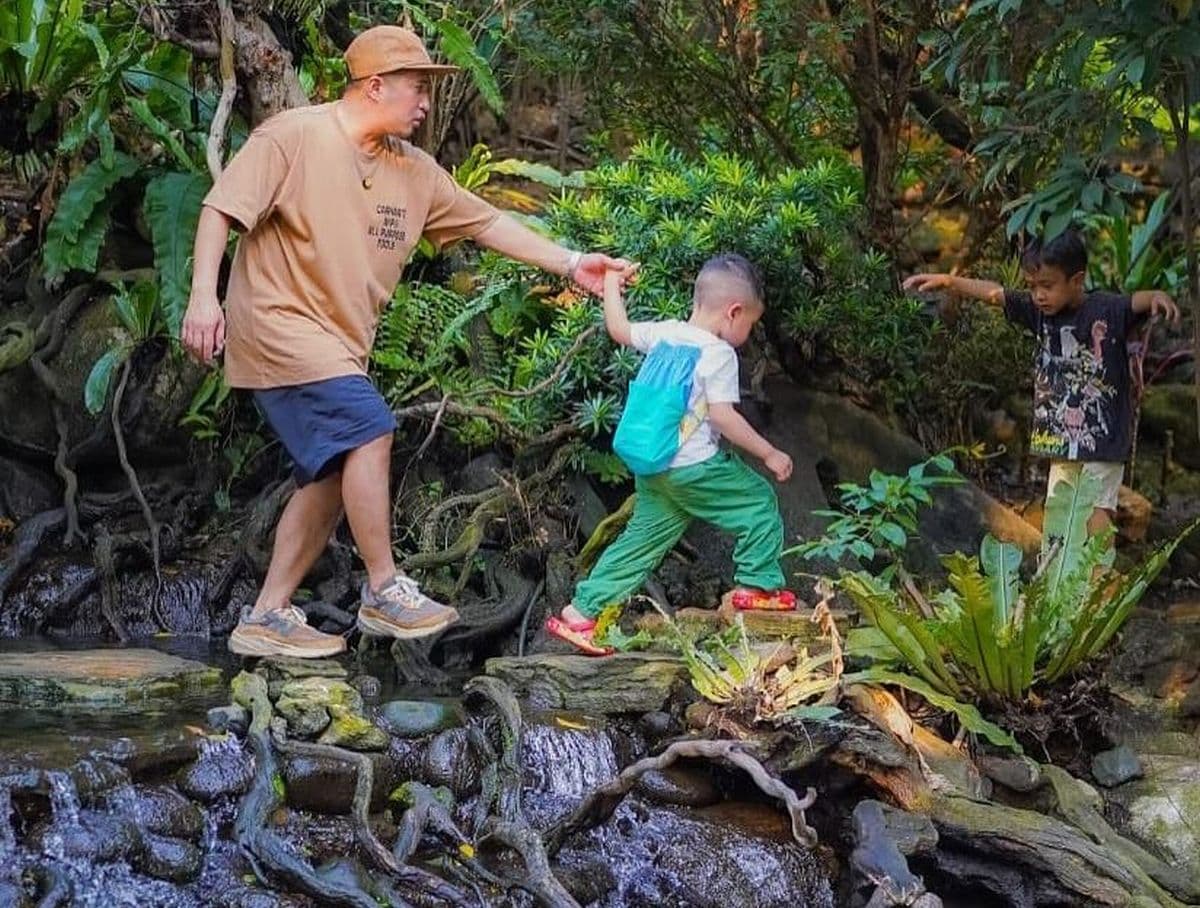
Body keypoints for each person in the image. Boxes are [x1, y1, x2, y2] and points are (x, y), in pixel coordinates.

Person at [181, 25, 630, 658]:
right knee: (370, 426)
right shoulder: (293, 137)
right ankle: (384, 590)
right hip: (276, 326)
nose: (426, 103)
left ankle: (267, 615)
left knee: (337, 474)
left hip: (339, 348)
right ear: (374, 86)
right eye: (417, 89)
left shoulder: (414, 173)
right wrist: (204, 297)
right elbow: (219, 210)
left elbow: (489, 222)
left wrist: (571, 262)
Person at [545, 254, 798, 656]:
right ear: (733, 312)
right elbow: (723, 417)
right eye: (749, 324)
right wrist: (769, 453)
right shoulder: (718, 354)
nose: (746, 334)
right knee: (758, 502)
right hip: (693, 470)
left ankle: (581, 614)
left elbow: (618, 328)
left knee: (639, 544)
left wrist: (612, 281)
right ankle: (758, 585)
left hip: (655, 470)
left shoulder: (667, 333)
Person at [903, 228, 1179, 538]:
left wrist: (1158, 297)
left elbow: (1136, 301)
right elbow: (996, 293)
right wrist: (950, 281)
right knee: (1060, 522)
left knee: (1096, 518)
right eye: (1032, 286)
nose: (1038, 295)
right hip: (1060, 443)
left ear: (1077, 280)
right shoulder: (1039, 314)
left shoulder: (1107, 309)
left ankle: (1098, 582)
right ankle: (1057, 583)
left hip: (1101, 442)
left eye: (1047, 286)